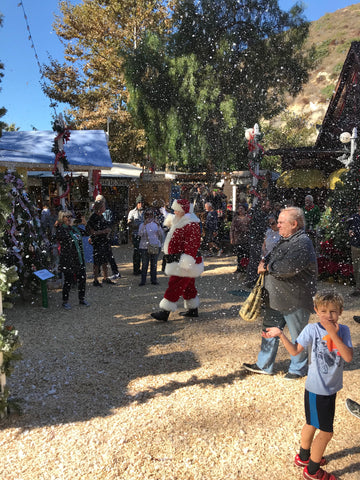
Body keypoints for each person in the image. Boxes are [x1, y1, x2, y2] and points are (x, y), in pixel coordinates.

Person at [263, 291, 353, 480]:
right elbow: (295, 351)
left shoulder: (343, 331)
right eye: (324, 311)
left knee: (312, 423)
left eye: (333, 312)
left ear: (341, 312)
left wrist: (333, 334)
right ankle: (312, 471)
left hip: (331, 389)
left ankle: (304, 458)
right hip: (316, 389)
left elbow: (347, 357)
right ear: (316, 311)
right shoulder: (311, 330)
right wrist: (280, 334)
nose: (329, 316)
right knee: (326, 432)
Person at [243, 207, 317, 379]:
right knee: (269, 330)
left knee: (299, 335)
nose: (277, 225)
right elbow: (271, 257)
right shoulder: (286, 239)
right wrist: (264, 261)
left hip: (295, 298)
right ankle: (264, 364)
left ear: (294, 224)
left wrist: (267, 267)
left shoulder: (302, 242)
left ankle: (297, 369)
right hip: (276, 297)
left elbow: (289, 267)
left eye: (281, 222)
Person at [150, 199, 204, 322]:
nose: (174, 211)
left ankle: (165, 311)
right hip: (178, 258)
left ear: (182, 211)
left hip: (184, 260)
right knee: (188, 286)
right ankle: (193, 309)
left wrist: (187, 261)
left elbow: (192, 244)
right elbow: (172, 221)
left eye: (176, 210)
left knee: (175, 285)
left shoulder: (191, 224)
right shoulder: (182, 220)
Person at [55, 210, 90, 310]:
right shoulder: (61, 229)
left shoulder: (75, 229)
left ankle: (82, 299)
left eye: (70, 216)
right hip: (68, 259)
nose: (69, 218)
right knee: (68, 281)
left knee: (82, 279)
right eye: (66, 217)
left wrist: (85, 223)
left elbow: (87, 232)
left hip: (78, 258)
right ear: (62, 218)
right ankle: (65, 301)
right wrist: (58, 226)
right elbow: (61, 238)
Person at [86, 200, 115, 286]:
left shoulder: (102, 216)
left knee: (105, 261)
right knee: (97, 262)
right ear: (99, 208)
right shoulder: (93, 218)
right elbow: (92, 232)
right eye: (103, 206)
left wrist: (108, 231)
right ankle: (95, 279)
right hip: (98, 242)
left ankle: (105, 277)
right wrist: (103, 231)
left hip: (104, 241)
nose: (105, 208)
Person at [245, 199, 272, 288]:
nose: (269, 207)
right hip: (256, 240)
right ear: (263, 205)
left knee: (257, 260)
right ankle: (252, 281)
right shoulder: (259, 215)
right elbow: (259, 228)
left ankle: (254, 280)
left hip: (259, 239)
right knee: (255, 260)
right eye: (267, 205)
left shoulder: (265, 214)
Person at [95, 195, 121, 280]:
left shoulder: (108, 212)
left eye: (99, 201)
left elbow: (110, 224)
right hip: (98, 236)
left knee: (109, 255)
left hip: (106, 237)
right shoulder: (96, 212)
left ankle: (116, 272)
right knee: (98, 254)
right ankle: (97, 272)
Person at [138, 209, 164, 286]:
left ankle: (154, 280)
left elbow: (161, 235)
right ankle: (143, 280)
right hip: (144, 246)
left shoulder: (156, 224)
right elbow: (140, 234)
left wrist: (159, 226)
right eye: (147, 215)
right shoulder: (142, 224)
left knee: (154, 264)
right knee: (145, 264)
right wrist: (144, 225)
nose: (149, 216)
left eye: (151, 215)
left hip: (155, 245)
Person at [230, 204, 250, 273]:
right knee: (239, 254)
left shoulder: (248, 218)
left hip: (246, 238)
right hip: (238, 238)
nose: (240, 210)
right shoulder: (235, 218)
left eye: (242, 209)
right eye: (239, 209)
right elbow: (232, 229)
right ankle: (239, 267)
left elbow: (250, 228)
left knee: (246, 254)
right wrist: (232, 238)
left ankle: (245, 267)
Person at [127, 195, 145, 275]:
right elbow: (129, 223)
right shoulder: (132, 212)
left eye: (142, 202)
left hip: (144, 235)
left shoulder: (146, 212)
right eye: (139, 202)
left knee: (143, 252)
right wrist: (137, 226)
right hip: (136, 234)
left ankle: (141, 268)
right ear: (137, 203)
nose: (141, 204)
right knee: (137, 252)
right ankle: (136, 269)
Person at [347, 202, 360, 296]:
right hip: (355, 246)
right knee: (356, 268)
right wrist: (349, 231)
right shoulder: (353, 217)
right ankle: (358, 288)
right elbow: (347, 227)